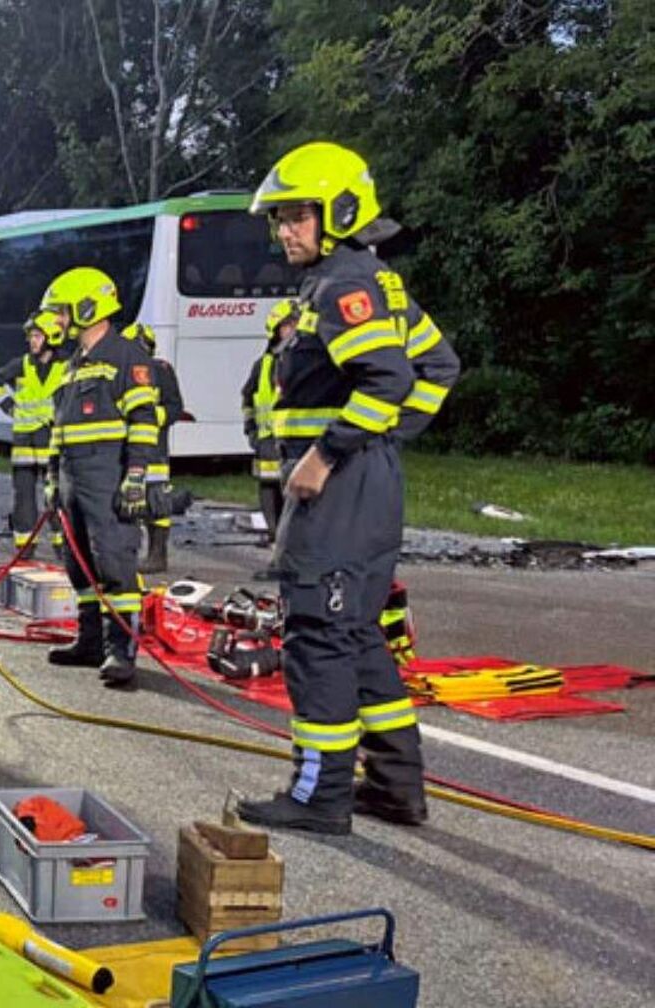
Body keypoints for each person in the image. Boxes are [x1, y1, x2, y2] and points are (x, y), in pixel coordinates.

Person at [236, 140, 457, 834]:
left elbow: (389, 378)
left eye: (298, 216)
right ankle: (396, 786)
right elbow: (439, 366)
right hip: (365, 484)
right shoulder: (370, 280)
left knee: (317, 637)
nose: (285, 231)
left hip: (337, 490)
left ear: (338, 212)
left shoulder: (343, 286)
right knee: (357, 634)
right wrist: (385, 439)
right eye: (279, 219)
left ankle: (320, 795)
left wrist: (334, 453)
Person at [40, 268, 161, 691]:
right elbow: (58, 426)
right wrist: (52, 478)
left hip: (108, 472)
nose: (56, 321)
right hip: (74, 475)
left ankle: (121, 650)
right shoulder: (74, 364)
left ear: (88, 308)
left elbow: (145, 421)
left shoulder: (127, 357)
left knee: (114, 562)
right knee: (80, 565)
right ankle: (90, 641)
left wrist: (136, 476)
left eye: (61, 312)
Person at [0, 311, 70, 550]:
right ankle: (25, 543)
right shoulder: (22, 364)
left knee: (56, 494)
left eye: (37, 336)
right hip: (24, 440)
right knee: (24, 497)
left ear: (52, 337)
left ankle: (62, 542)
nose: (32, 341)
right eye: (31, 336)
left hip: (52, 440)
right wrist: (7, 405)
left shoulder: (67, 366)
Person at [122, 323, 184, 574]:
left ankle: (158, 556)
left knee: (157, 503)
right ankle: (128, 554)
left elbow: (175, 407)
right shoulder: (121, 371)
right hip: (127, 445)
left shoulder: (161, 370)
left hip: (154, 448)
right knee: (128, 503)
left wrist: (148, 417)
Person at [242, 301, 295, 551]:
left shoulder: (306, 361)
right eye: (288, 325)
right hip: (267, 442)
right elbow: (248, 397)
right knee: (268, 489)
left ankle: (286, 546)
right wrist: (251, 429)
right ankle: (275, 538)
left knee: (292, 494)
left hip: (295, 440)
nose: (293, 330)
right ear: (275, 330)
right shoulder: (263, 365)